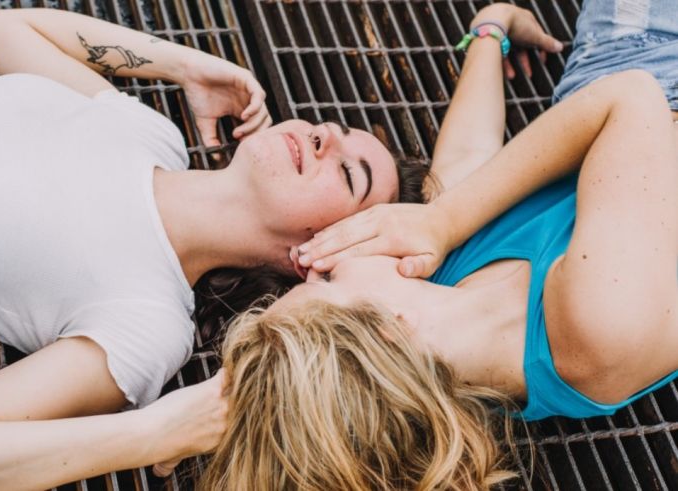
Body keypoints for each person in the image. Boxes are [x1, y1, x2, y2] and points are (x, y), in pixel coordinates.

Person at [0, 7, 428, 490]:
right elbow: (12, 28)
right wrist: (181, 65)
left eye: (351, 175)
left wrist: (156, 432)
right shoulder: (150, 134)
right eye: (337, 128)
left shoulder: (149, 321)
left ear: (322, 248)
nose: (325, 137)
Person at [202, 2, 678, 489]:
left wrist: (489, 30)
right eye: (327, 277)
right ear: (391, 330)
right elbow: (634, 100)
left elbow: (471, 154)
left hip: (622, 53)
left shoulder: (435, 283)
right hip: (638, 79)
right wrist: (445, 219)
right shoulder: (597, 332)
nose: (329, 253)